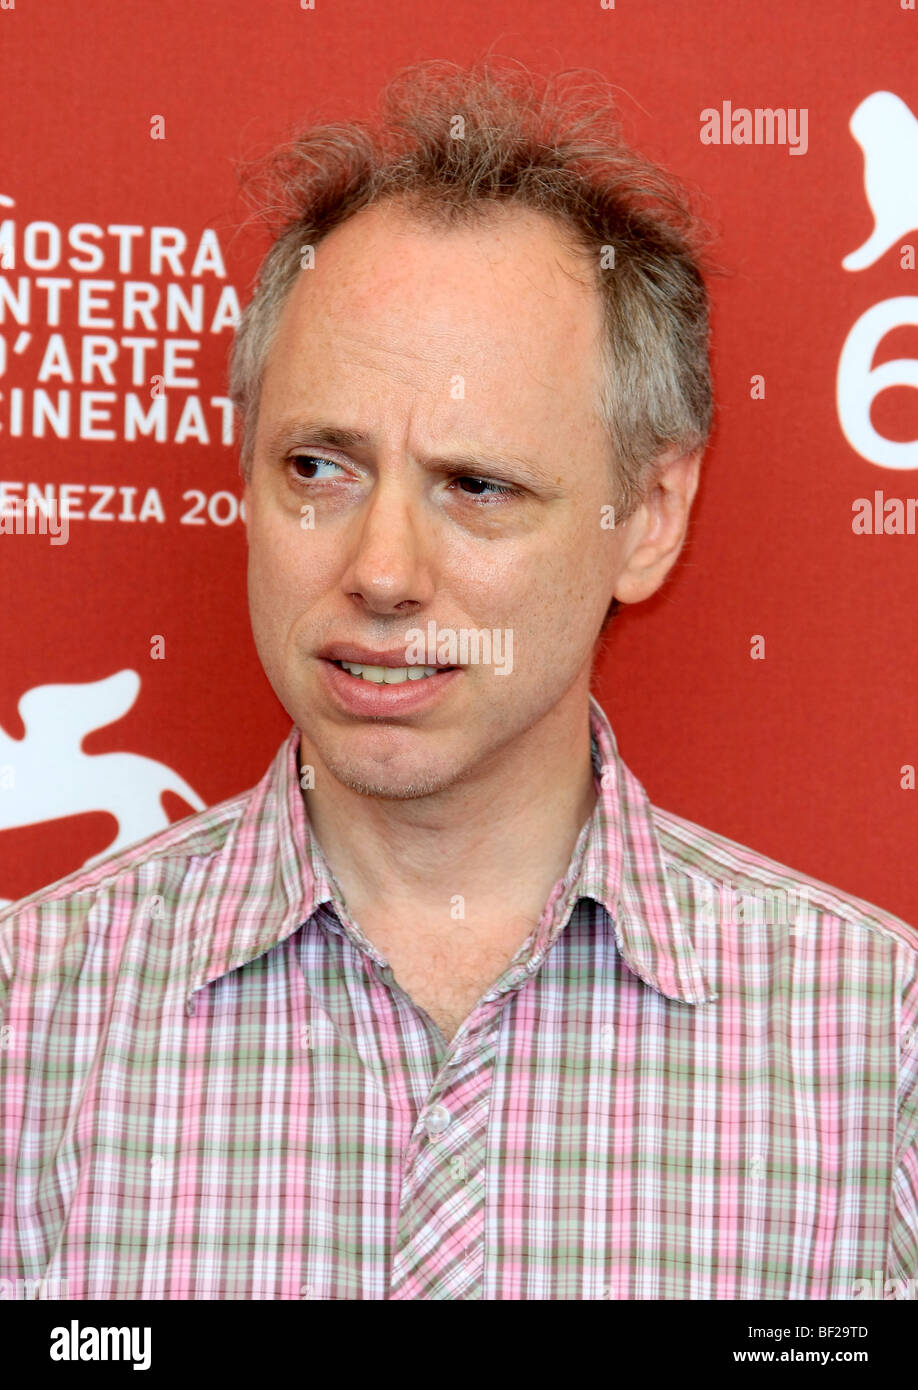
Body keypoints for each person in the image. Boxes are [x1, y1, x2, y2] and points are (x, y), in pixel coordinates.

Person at [1, 59, 916, 1302]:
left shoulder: (876, 1046)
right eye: (320, 467)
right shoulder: (29, 1019)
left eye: (477, 487)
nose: (381, 572)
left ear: (648, 516)